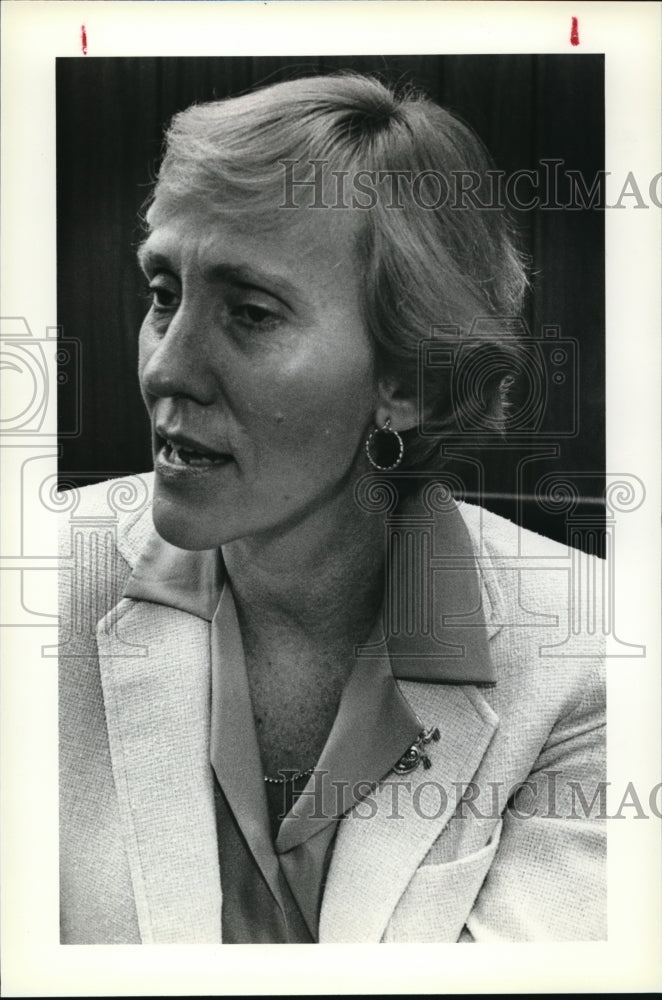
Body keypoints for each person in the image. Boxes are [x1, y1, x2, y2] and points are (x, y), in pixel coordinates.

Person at [58, 72, 606, 944]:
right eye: (164, 295)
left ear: (407, 384)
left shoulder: (595, 655)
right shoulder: (36, 589)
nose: (166, 367)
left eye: (250, 312)